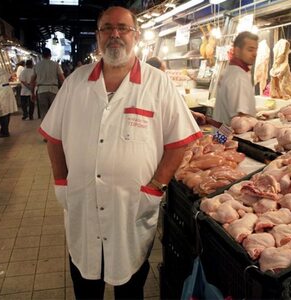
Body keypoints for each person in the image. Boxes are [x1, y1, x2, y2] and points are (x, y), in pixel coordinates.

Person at [39, 6, 202, 300]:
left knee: (130, 287)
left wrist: (155, 187)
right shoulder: (76, 82)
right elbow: (53, 136)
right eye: (107, 28)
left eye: (123, 28)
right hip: (83, 204)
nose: (115, 34)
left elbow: (179, 141)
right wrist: (61, 181)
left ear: (135, 35)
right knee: (86, 285)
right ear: (98, 36)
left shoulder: (158, 83)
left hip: (132, 207)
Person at [213, 31, 259, 125]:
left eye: (256, 50)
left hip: (220, 134)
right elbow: (241, 120)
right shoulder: (239, 77)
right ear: (237, 51)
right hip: (231, 136)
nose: (255, 54)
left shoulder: (230, 70)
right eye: (250, 50)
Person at [146, 56, 207, 125]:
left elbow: (173, 106)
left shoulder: (158, 86)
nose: (165, 75)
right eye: (163, 72)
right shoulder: (149, 90)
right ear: (154, 71)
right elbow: (170, 109)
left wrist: (192, 114)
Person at [31, 48, 65, 120]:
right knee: (54, 111)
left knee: (43, 112)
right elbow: (62, 78)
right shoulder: (56, 65)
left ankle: (44, 128)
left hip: (41, 90)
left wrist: (32, 93)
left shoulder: (37, 65)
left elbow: (32, 80)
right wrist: (64, 90)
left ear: (42, 55)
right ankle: (53, 128)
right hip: (53, 90)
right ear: (50, 55)